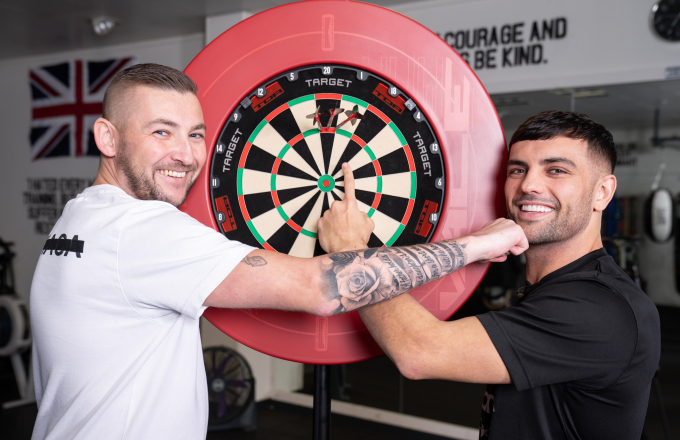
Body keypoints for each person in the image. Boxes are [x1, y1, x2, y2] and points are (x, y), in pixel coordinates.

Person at [29, 63, 527, 440]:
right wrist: (477, 245)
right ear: (107, 138)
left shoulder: (81, 219)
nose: (186, 154)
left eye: (196, 134)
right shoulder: (142, 229)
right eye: (161, 132)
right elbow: (321, 288)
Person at [353, 111, 661, 440]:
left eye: (556, 170)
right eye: (518, 169)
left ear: (602, 192)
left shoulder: (599, 308)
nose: (528, 185)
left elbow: (418, 352)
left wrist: (351, 246)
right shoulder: (555, 289)